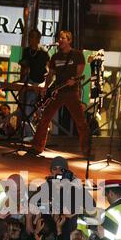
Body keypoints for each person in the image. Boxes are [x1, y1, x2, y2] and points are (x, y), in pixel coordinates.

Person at [26, 30, 90, 158]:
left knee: (81, 122)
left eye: (63, 38)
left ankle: (87, 150)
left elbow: (79, 74)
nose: (60, 40)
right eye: (59, 38)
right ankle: (37, 147)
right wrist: (45, 87)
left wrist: (74, 80)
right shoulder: (55, 57)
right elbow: (50, 74)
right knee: (45, 118)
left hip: (71, 92)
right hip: (57, 91)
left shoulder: (77, 55)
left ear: (69, 40)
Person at [18, 28, 50, 141]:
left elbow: (48, 68)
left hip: (38, 82)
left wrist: (45, 83)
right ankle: (27, 133)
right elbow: (24, 66)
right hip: (28, 80)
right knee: (23, 108)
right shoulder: (27, 51)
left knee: (31, 109)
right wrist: (21, 80)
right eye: (30, 36)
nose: (31, 39)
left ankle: (30, 134)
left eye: (34, 37)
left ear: (38, 39)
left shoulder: (44, 52)